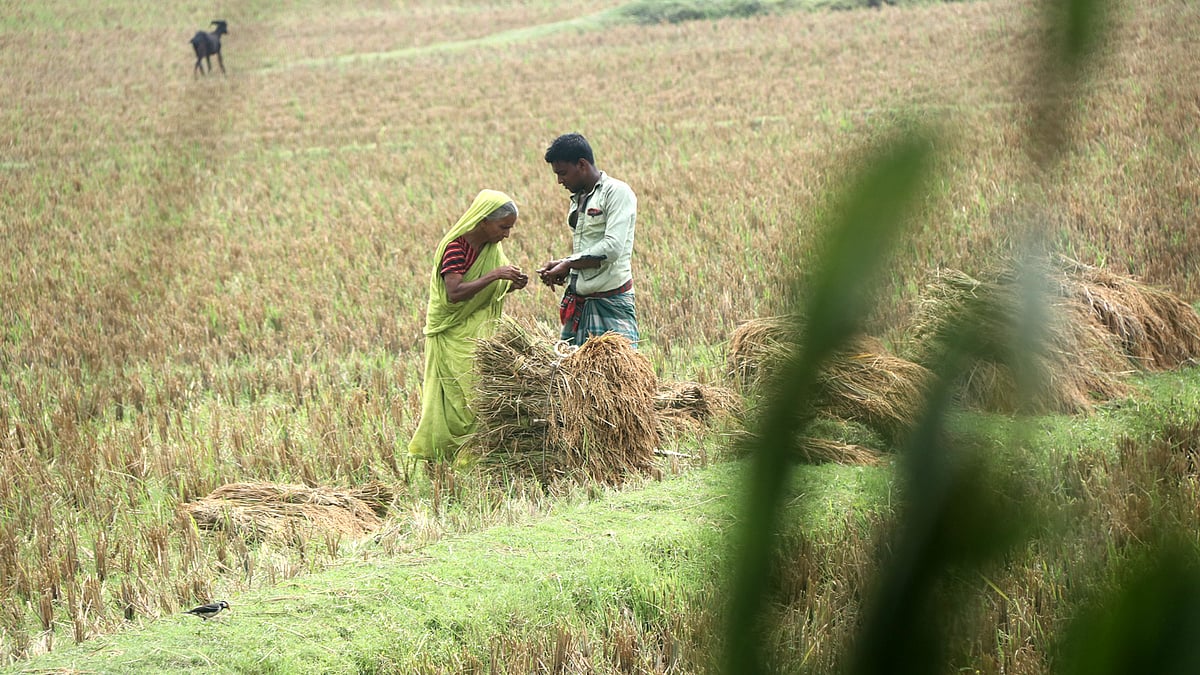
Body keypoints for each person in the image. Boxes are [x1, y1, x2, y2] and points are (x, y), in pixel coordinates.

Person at [408, 190, 528, 463]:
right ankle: (447, 454)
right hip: (452, 335)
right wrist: (495, 275)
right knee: (464, 395)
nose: (507, 234)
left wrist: (510, 285)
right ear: (484, 221)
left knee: (480, 394)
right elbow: (455, 294)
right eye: (503, 227)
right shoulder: (456, 247)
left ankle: (474, 457)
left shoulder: (490, 249)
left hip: (478, 334)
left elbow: (485, 295)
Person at [536, 133, 640, 347]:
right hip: (581, 304)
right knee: (571, 376)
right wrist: (565, 265)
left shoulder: (616, 193)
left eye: (563, 173)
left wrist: (569, 263)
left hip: (610, 303)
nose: (560, 181)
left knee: (617, 377)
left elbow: (611, 248)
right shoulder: (578, 198)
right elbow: (590, 250)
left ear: (582, 165)